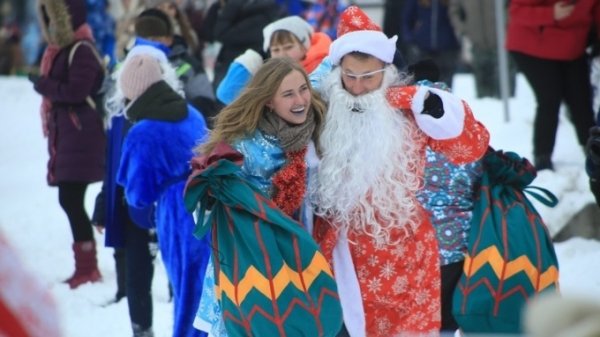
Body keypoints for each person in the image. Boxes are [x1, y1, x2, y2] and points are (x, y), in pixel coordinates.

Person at [309, 6, 490, 337]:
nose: (359, 87)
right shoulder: (321, 111)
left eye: (369, 77)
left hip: (403, 257)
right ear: (337, 72)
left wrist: (439, 111)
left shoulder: (409, 112)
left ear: (386, 70)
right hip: (339, 255)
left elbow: (470, 149)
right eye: (350, 76)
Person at [190, 57, 330, 336]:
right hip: (255, 256)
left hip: (306, 249)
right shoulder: (245, 146)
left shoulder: (313, 125)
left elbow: (329, 66)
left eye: (302, 89)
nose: (300, 98)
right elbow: (209, 207)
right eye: (288, 94)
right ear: (268, 101)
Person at [108, 47, 211, 337]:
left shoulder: (142, 132)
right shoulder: (191, 112)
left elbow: (138, 193)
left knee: (185, 288)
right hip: (207, 200)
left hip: (176, 213)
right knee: (205, 287)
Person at [28, 0, 106, 289]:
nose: (49, 26)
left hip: (81, 134)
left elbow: (76, 91)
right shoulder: (63, 50)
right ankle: (85, 266)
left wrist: (43, 84)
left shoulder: (81, 50)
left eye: (53, 19)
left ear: (65, 20)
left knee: (70, 199)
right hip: (71, 135)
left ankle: (88, 268)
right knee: (70, 199)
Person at [506, 0, 599, 171]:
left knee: (581, 100)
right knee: (549, 99)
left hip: (574, 46)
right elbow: (517, 11)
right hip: (533, 45)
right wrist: (549, 14)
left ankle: (593, 151)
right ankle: (543, 158)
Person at [216, 15, 331, 105]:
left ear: (304, 47)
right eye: (276, 50)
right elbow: (227, 96)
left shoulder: (321, 72)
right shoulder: (267, 78)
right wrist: (247, 63)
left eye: (288, 47)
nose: (282, 54)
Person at [133, 8, 220, 126]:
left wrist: (173, 107)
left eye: (155, 40)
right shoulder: (123, 67)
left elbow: (206, 105)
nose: (149, 46)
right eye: (143, 40)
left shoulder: (188, 65)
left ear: (168, 39)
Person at [203, 0, 280, 92]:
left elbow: (216, 33)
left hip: (232, 62)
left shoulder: (231, 6)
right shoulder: (271, 8)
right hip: (260, 60)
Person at [448, 0, 517, 99]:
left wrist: (509, 24)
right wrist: (464, 29)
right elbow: (454, 11)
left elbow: (516, 6)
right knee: (483, 98)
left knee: (506, 94)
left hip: (504, 45)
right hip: (478, 44)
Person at [402, 0, 461, 87]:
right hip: (422, 48)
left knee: (445, 87)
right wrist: (410, 40)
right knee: (422, 86)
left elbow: (459, 18)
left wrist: (458, 39)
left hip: (447, 49)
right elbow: (406, 19)